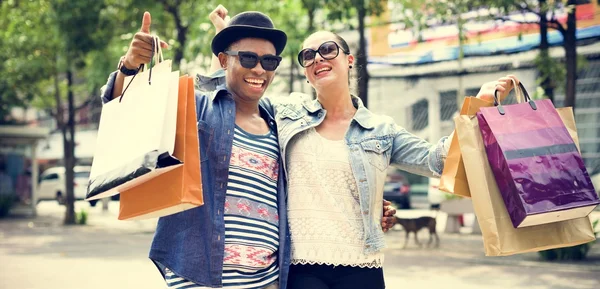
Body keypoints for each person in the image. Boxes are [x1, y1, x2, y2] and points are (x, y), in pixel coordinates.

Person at [204, 9, 518, 288]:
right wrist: (227, 41)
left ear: (349, 59)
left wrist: (476, 106)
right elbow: (238, 89)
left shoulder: (381, 129)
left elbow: (436, 160)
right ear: (304, 69)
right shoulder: (286, 111)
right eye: (308, 55)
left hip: (361, 265)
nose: (318, 59)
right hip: (300, 266)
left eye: (327, 50)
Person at [99, 8, 396, 289]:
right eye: (248, 58)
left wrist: (368, 204)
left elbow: (317, 172)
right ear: (224, 60)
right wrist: (128, 66)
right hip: (202, 277)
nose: (259, 69)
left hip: (267, 279)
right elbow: (127, 110)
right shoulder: (198, 108)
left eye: (269, 62)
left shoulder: (281, 123)